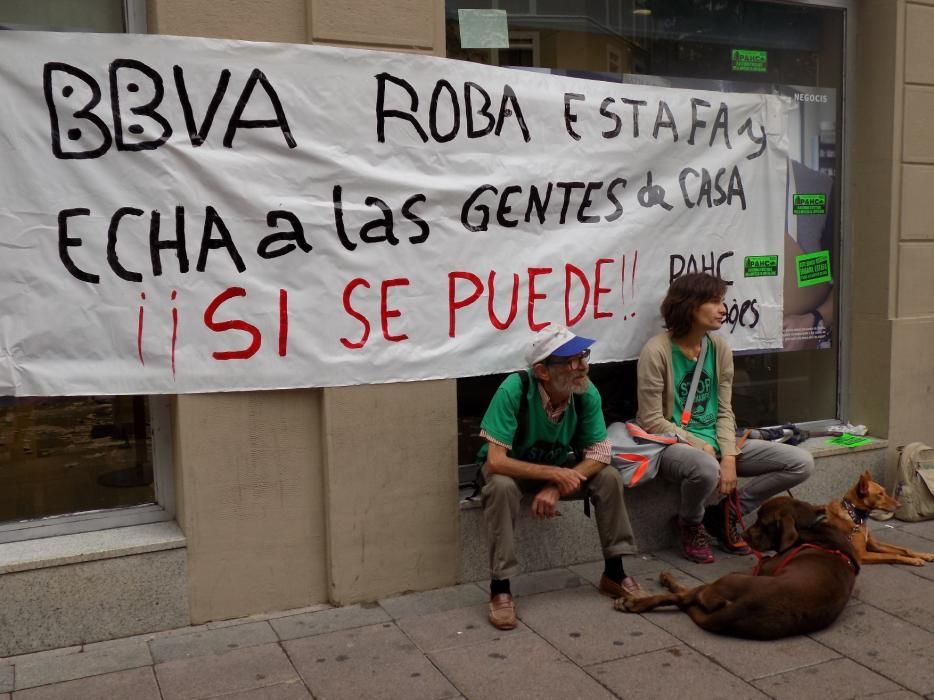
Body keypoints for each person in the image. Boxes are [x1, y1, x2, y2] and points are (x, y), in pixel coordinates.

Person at [636, 272, 814, 564]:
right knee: (707, 467)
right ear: (690, 305)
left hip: (718, 440)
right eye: (715, 302)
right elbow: (652, 419)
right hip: (673, 445)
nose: (723, 309)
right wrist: (700, 445)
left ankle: (726, 514)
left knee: (800, 462)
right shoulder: (657, 351)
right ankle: (691, 523)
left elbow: (723, 410)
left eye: (723, 301)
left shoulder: (718, 348)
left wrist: (729, 455)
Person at [478, 325, 643, 630]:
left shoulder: (585, 391)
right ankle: (500, 587)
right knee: (500, 487)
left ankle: (615, 572)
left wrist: (556, 484)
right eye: (570, 361)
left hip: (555, 472)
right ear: (542, 371)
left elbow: (599, 453)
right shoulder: (514, 389)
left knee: (608, 477)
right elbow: (496, 461)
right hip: (512, 471)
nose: (582, 366)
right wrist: (554, 473)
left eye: (583, 356)